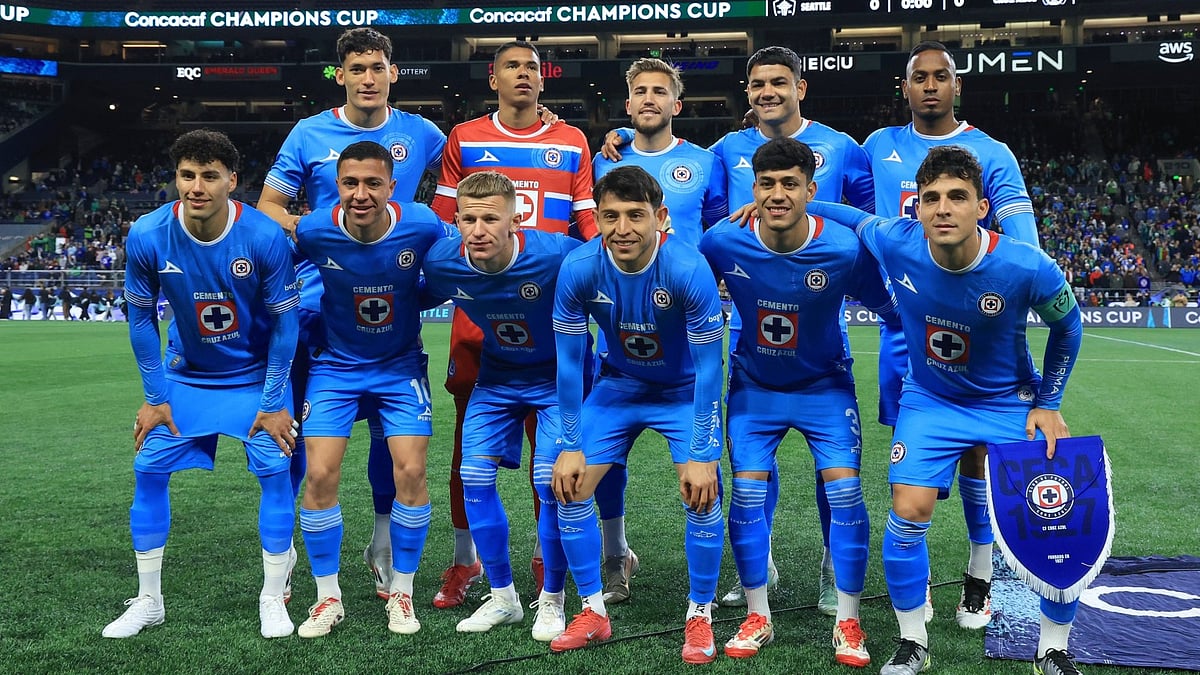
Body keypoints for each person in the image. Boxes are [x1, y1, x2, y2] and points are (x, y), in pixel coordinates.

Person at [806, 146, 1084, 675]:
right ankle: (914, 641)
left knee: (1054, 517)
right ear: (918, 208)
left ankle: (1052, 650)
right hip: (931, 401)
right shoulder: (898, 241)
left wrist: (1049, 403)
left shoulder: (1026, 264)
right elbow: (852, 217)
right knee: (908, 510)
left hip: (1008, 400)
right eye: (930, 198)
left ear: (981, 207)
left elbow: (1069, 326)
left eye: (957, 197)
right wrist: (787, 206)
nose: (942, 208)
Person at [257, 26, 446, 600]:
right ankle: (286, 551)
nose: (368, 77)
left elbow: (463, 181)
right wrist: (318, 234)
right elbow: (269, 206)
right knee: (301, 435)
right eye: (357, 68)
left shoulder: (423, 133)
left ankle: (383, 544)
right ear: (341, 74)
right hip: (318, 303)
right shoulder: (309, 131)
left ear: (393, 72)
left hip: (394, 298)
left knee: (397, 440)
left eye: (378, 67)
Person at [700, 137, 897, 664]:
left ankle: (849, 621)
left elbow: (892, 308)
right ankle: (757, 614)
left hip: (825, 389)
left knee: (846, 497)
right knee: (744, 499)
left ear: (811, 189)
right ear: (752, 188)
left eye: (791, 184)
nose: (778, 194)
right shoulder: (722, 241)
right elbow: (684, 291)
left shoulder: (843, 248)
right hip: (753, 390)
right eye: (767, 184)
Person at [863, 40, 1041, 626]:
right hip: (904, 332)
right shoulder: (878, 147)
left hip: (975, 324)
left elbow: (1022, 239)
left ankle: (979, 572)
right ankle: (914, 583)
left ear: (956, 85)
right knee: (913, 474)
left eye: (942, 76)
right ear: (906, 86)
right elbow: (856, 219)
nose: (931, 86)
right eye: (921, 77)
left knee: (978, 459)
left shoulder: (991, 151)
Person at [103, 129, 301, 640]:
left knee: (275, 475)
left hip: (254, 379)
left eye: (209, 176)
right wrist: (155, 397)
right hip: (185, 377)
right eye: (187, 175)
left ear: (232, 182)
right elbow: (141, 318)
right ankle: (149, 601)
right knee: (147, 468)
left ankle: (273, 596)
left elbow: (285, 325)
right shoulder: (147, 233)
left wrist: (276, 400)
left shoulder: (263, 236)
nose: (196, 186)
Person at [429, 39, 598, 608]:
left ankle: (545, 564)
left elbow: (586, 221)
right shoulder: (465, 138)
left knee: (548, 452)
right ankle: (465, 562)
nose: (523, 75)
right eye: (512, 67)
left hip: (549, 308)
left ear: (542, 81)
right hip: (479, 316)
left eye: (532, 68)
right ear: (493, 78)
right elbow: (443, 222)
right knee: (467, 452)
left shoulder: (570, 140)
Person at [707, 45, 873, 613]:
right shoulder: (724, 150)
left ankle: (834, 565)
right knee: (752, 460)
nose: (767, 91)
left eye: (779, 81)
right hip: (748, 322)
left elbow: (871, 224)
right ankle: (761, 563)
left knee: (838, 470)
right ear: (747, 91)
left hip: (820, 322)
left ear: (801, 87)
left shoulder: (842, 148)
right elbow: (703, 219)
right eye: (757, 83)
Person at [550, 166, 725, 663]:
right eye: (610, 216)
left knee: (701, 493)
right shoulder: (580, 267)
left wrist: (704, 453)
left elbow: (711, 370)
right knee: (569, 483)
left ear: (660, 218)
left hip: (683, 390)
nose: (622, 228)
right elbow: (568, 363)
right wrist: (569, 443)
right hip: (618, 386)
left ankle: (699, 615)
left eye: (635, 215)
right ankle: (592, 611)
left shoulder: (688, 270)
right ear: (597, 219)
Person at [290, 141, 450, 638]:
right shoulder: (315, 228)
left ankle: (401, 593)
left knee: (412, 470)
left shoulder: (422, 224)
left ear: (392, 187)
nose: (361, 194)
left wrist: (413, 297)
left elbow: (450, 269)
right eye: (350, 183)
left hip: (400, 367)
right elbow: (273, 265)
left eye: (373, 183)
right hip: (335, 367)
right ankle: (326, 598)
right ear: (337, 186)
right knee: (318, 474)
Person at [589, 56, 729, 604]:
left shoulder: (706, 161)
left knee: (710, 462)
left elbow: (719, 230)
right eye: (639, 91)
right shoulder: (605, 162)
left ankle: (733, 574)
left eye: (660, 91)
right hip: (622, 330)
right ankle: (614, 554)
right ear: (628, 104)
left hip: (690, 329)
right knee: (607, 457)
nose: (649, 99)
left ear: (677, 103)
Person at [422, 170, 582, 641]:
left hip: (554, 380)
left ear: (516, 220)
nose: (477, 230)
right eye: (467, 219)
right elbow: (411, 292)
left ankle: (552, 599)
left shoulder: (557, 253)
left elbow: (607, 278)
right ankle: (504, 598)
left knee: (547, 482)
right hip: (496, 378)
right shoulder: (444, 263)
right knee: (473, 476)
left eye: (490, 218)